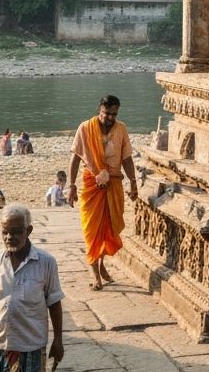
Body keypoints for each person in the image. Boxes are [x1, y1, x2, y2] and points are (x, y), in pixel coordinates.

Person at [0, 204, 64, 372]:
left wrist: (58, 340)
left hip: (30, 347)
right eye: (5, 232)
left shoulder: (46, 262)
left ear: (28, 231)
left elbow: (54, 302)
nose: (9, 237)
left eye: (15, 232)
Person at [67, 94, 139, 291]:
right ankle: (95, 275)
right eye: (107, 113)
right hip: (92, 185)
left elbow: (126, 158)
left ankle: (101, 265)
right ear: (100, 110)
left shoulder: (121, 129)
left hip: (114, 184)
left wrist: (133, 181)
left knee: (108, 229)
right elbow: (75, 158)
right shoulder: (85, 128)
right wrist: (71, 185)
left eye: (114, 114)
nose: (110, 118)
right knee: (91, 230)